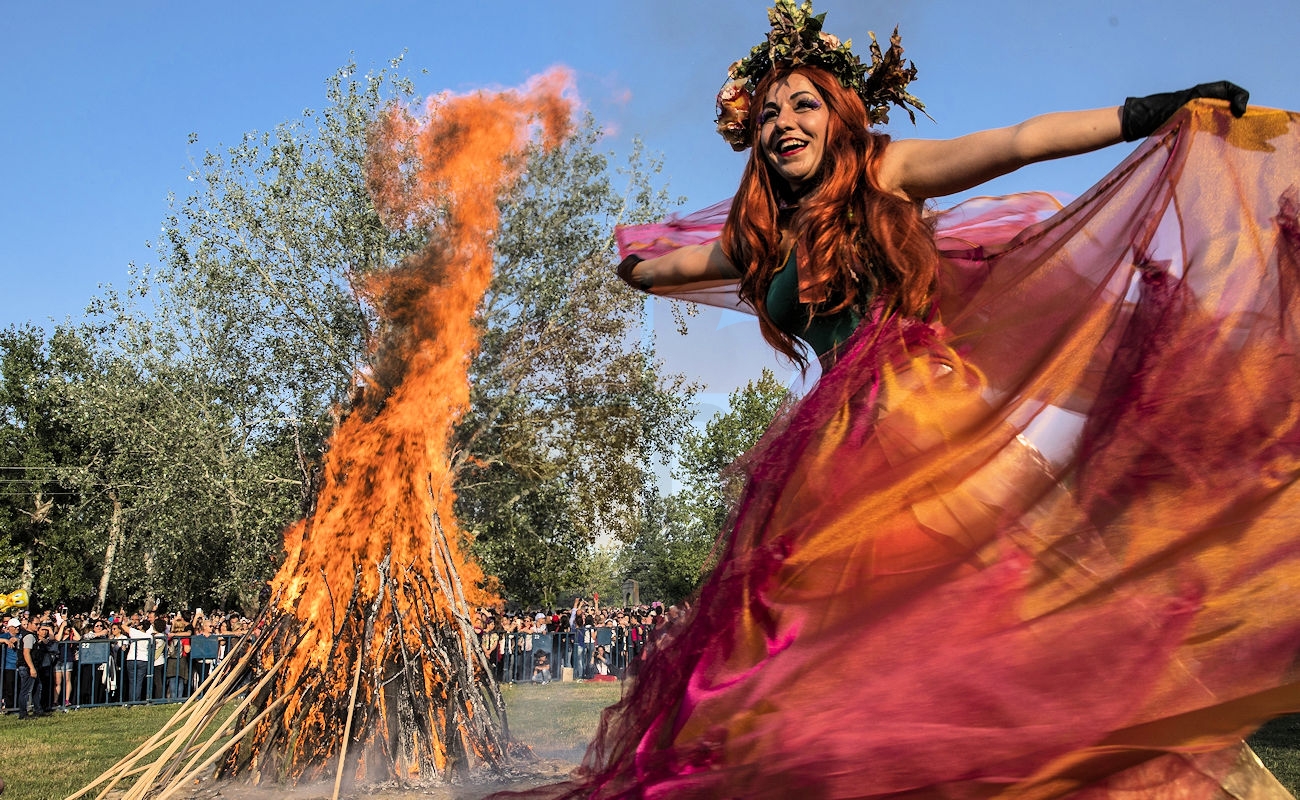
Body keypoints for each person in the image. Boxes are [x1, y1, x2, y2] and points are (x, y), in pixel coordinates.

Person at [499, 2, 1300, 798]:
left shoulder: (886, 174)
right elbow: (656, 271)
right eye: (769, 112)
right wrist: (633, 264)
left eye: (804, 104)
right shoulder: (763, 242)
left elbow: (1013, 145)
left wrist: (1140, 114)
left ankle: (1191, 770)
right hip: (834, 446)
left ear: (840, 115)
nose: (783, 122)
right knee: (832, 645)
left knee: (1027, 603)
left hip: (922, 413)